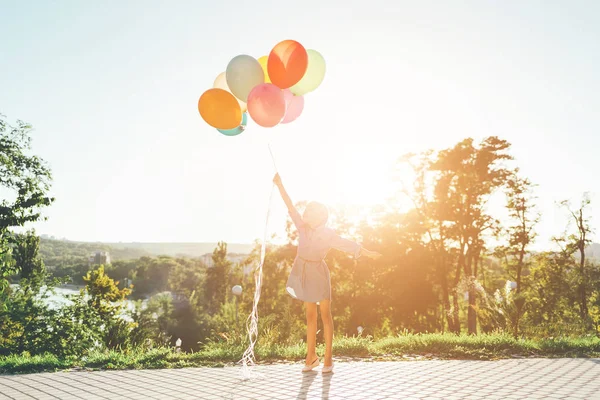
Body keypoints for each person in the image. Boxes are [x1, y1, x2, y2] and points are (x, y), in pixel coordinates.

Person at [273, 173, 381, 373]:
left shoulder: (328, 233)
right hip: (303, 272)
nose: (305, 213)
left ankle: (328, 359)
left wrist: (366, 253)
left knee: (325, 315)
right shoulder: (302, 227)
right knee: (310, 316)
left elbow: (346, 244)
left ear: (320, 216)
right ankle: (311, 357)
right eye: (306, 211)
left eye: (310, 211)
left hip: (319, 274)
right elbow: (290, 205)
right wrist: (279, 185)